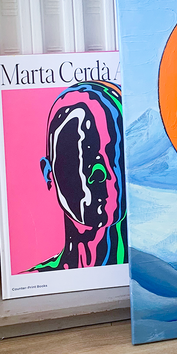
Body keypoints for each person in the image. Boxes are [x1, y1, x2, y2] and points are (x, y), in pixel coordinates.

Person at [33, 81, 127, 271]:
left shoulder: (157, 277)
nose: (98, 172)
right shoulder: (35, 278)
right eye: (74, 154)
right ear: (48, 172)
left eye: (113, 152)